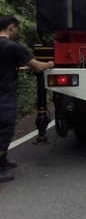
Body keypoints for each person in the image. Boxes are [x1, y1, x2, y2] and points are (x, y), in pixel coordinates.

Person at [0, 16, 55, 182]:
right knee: (4, 129)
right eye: (16, 29)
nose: (17, 32)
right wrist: (51, 63)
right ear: (11, 26)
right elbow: (38, 66)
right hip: (4, 95)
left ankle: (4, 161)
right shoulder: (12, 47)